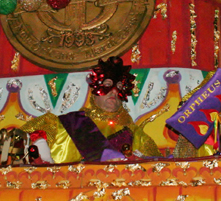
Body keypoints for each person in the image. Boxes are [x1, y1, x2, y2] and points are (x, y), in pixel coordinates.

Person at [19, 57, 161, 163]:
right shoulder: (63, 124)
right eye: (107, 85)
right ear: (94, 91)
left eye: (118, 87)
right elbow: (23, 143)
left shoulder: (138, 137)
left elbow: (155, 168)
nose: (113, 91)